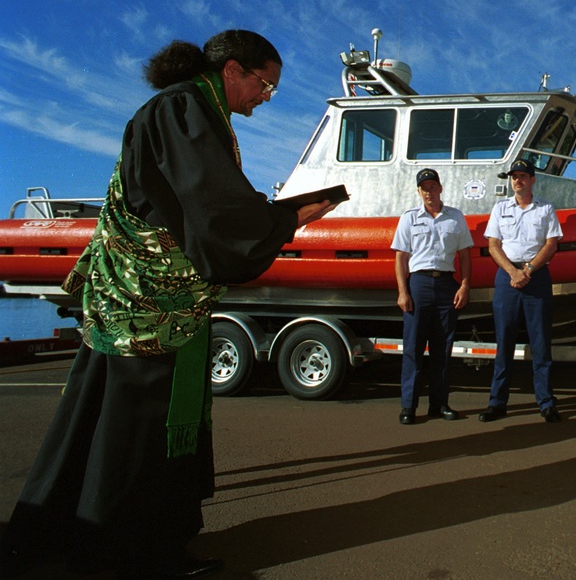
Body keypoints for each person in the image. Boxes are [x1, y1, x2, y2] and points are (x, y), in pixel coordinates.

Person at [0, 31, 336, 579]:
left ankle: (57, 536)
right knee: (137, 433)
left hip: (126, 299)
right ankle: (131, 555)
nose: (268, 95)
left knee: (95, 420)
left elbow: (196, 203)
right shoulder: (184, 109)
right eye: (265, 83)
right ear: (233, 70)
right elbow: (215, 208)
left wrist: (266, 217)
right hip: (152, 311)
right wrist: (287, 219)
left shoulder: (179, 108)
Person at [478, 159, 563, 423]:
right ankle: (497, 402)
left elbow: (551, 244)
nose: (518, 181)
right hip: (507, 278)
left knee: (541, 343)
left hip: (536, 278)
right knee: (504, 343)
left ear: (532, 179)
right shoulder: (500, 208)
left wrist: (528, 269)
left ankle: (546, 402)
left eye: (523, 176)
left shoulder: (545, 208)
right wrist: (513, 272)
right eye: (514, 177)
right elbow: (493, 245)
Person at [392, 168, 473, 425]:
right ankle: (409, 406)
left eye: (432, 186)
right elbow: (401, 257)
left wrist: (465, 286)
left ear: (440, 188)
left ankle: (439, 404)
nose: (429, 192)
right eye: (424, 188)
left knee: (442, 350)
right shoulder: (409, 218)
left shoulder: (456, 217)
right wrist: (403, 291)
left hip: (447, 285)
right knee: (413, 348)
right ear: (419, 191)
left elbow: (465, 256)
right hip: (418, 284)